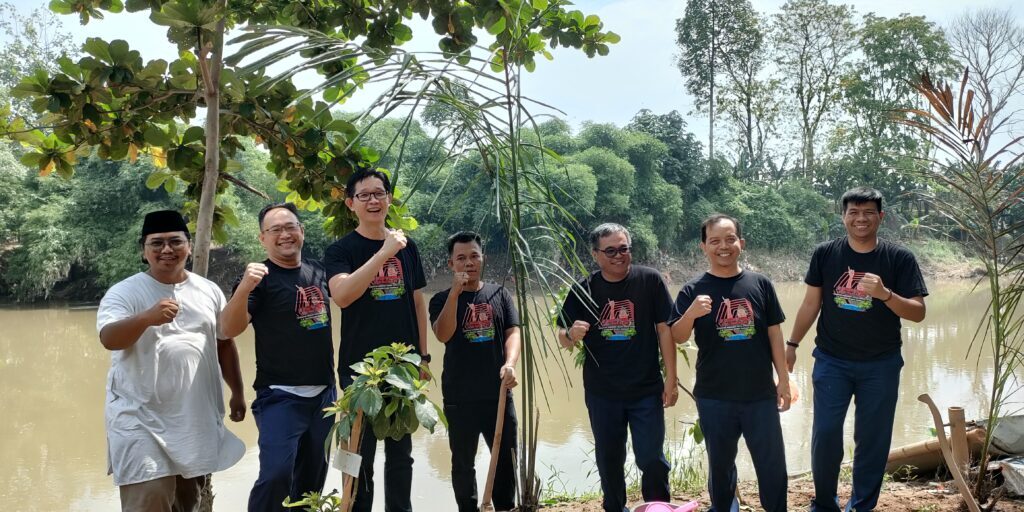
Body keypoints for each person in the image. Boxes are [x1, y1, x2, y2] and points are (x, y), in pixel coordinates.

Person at [787, 187, 928, 512]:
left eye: (868, 213)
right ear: (843, 217)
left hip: (881, 365)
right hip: (832, 360)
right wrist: (792, 344)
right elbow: (811, 303)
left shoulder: (899, 258)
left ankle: (861, 506)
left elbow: (918, 313)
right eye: (853, 212)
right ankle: (824, 504)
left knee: (872, 441)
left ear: (880, 217)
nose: (860, 218)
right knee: (825, 434)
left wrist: (884, 294)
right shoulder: (825, 254)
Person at [96, 209, 245, 512]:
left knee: (186, 503)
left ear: (189, 246)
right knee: (150, 497)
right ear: (144, 251)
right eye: (157, 243)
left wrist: (238, 394)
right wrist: (146, 318)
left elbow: (225, 344)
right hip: (139, 420)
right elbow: (109, 338)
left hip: (193, 419)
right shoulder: (124, 292)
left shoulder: (208, 290)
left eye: (175, 241)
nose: (167, 249)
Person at [324, 169, 430, 512]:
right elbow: (342, 295)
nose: (373, 201)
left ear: (389, 198)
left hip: (403, 367)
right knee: (355, 452)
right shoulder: (340, 250)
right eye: (365, 195)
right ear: (351, 203)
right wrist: (384, 252)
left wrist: (423, 359)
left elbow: (416, 302)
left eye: (379, 193)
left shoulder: (407, 246)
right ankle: (353, 507)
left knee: (402, 454)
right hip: (360, 369)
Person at [669, 214, 791, 512]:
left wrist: (784, 380)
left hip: (760, 394)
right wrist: (691, 314)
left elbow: (774, 335)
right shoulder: (692, 289)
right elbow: (677, 335)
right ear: (704, 247)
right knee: (720, 467)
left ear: (741, 243)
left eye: (730, 239)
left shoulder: (759, 284)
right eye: (715, 241)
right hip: (714, 396)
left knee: (772, 465)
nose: (723, 246)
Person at [221, 202, 336, 511]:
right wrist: (244, 286)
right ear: (262, 238)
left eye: (290, 227)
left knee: (312, 482)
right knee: (275, 475)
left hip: (325, 396)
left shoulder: (320, 271)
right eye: (275, 230)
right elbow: (229, 327)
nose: (284, 234)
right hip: (279, 396)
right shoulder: (259, 279)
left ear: (302, 231)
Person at [557, 223, 678, 512]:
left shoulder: (650, 281)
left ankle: (658, 507)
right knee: (609, 459)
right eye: (610, 250)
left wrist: (671, 378)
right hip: (602, 392)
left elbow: (665, 330)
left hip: (646, 389)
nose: (618, 255)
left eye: (623, 248)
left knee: (652, 458)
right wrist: (571, 334)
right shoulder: (583, 289)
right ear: (595, 254)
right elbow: (561, 336)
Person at [428, 231, 521, 512]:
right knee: (463, 463)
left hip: (498, 393)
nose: (468, 263)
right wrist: (456, 293)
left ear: (483, 258)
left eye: (473, 256)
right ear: (450, 264)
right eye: (461, 258)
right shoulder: (441, 299)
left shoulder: (499, 293)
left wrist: (510, 364)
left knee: (506, 458)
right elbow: (443, 334)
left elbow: (513, 331)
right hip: (459, 397)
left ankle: (505, 507)